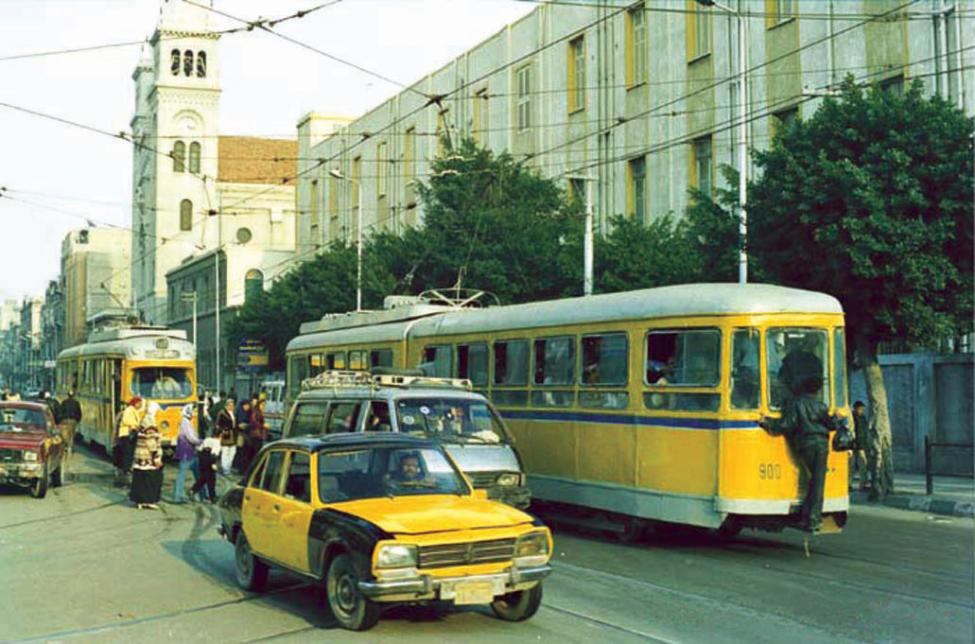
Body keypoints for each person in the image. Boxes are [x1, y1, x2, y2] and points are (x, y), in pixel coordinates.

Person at [760, 375, 840, 533]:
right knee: (818, 482)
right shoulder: (820, 405)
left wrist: (766, 422)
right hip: (822, 445)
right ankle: (812, 519)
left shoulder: (795, 403)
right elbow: (831, 425)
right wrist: (836, 417)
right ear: (817, 390)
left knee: (813, 481)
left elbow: (786, 424)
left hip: (805, 444)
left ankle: (808, 516)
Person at [130, 402, 164, 509]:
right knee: (151, 478)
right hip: (148, 455)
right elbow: (151, 441)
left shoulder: (144, 419)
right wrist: (156, 457)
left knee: (140, 478)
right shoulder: (150, 422)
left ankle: (139, 501)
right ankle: (149, 500)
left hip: (140, 455)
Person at [172, 404, 201, 504]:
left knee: (198, 474)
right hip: (187, 452)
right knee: (183, 474)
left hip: (190, 452)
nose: (194, 413)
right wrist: (202, 442)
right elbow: (191, 438)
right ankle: (177, 496)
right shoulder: (185, 423)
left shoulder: (187, 422)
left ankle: (201, 494)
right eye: (193, 411)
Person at [114, 397, 143, 487]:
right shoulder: (129, 410)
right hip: (126, 434)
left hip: (130, 434)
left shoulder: (134, 411)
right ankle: (126, 471)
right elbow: (126, 421)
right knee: (127, 453)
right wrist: (135, 425)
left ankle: (126, 470)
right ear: (135, 403)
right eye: (139, 403)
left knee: (129, 454)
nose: (141, 405)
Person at [851, 401, 877, 493]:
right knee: (853, 465)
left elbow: (865, 429)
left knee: (862, 464)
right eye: (860, 409)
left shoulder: (862, 418)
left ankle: (863, 483)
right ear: (856, 408)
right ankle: (851, 484)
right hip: (854, 444)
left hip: (861, 444)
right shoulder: (852, 418)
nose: (862, 410)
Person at [58, 390, 82, 480]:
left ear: (67, 395)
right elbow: (79, 413)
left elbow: (60, 412)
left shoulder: (64, 402)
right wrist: (77, 420)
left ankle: (65, 446)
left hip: (65, 421)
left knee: (65, 435)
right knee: (71, 435)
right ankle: (70, 448)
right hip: (73, 421)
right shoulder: (76, 403)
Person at [191, 434, 221, 503]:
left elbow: (199, 449)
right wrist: (213, 463)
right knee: (211, 480)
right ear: (220, 435)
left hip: (202, 458)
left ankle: (193, 490)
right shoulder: (217, 442)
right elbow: (214, 453)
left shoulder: (207, 439)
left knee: (204, 477)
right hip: (210, 459)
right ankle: (212, 497)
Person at [242, 398, 268, 472]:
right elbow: (254, 423)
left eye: (264, 405)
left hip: (258, 436)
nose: (263, 406)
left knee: (253, 454)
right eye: (262, 405)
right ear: (258, 405)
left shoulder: (259, 412)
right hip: (255, 436)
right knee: (255, 454)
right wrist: (263, 425)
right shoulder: (256, 412)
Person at [215, 398, 237, 475]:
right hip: (225, 434)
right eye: (229, 405)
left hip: (233, 435)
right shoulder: (222, 413)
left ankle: (228, 467)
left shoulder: (233, 413)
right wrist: (222, 431)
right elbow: (217, 424)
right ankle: (225, 470)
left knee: (233, 452)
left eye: (232, 405)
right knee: (225, 452)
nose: (231, 407)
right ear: (226, 406)